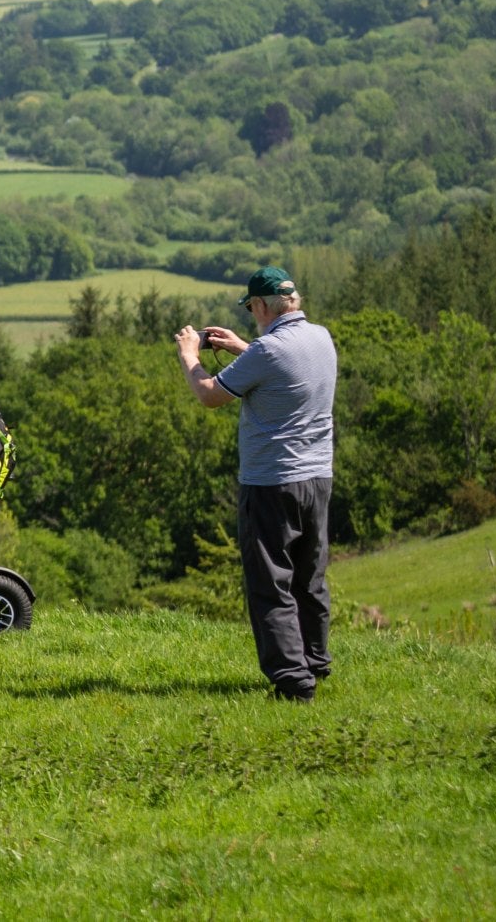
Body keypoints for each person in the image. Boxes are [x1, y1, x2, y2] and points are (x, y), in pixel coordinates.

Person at [176, 266, 337, 701]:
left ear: (263, 306)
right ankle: (315, 664)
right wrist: (241, 348)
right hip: (317, 477)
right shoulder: (320, 338)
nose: (251, 315)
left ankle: (292, 683)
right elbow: (287, 371)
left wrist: (190, 355)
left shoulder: (268, 350)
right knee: (309, 577)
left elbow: (210, 395)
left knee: (271, 582)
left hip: (272, 482)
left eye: (251, 308)